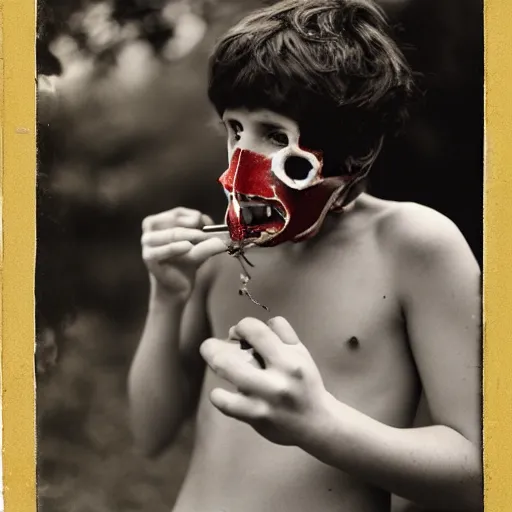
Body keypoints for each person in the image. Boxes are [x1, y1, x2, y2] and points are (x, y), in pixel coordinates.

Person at [128, 1, 482, 511]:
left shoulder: (414, 244)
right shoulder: (219, 254)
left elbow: (479, 475)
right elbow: (149, 433)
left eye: (274, 135)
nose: (239, 166)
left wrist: (321, 424)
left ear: (353, 148)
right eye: (234, 128)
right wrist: (165, 297)